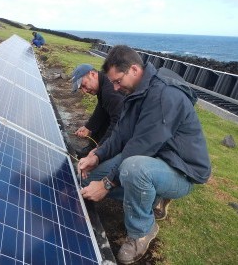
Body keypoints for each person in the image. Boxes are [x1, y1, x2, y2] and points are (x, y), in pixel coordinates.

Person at [77, 45, 211, 264]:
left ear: (134, 70)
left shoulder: (163, 97)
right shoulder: (135, 92)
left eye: (117, 81)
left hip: (182, 170)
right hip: (155, 159)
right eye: (112, 82)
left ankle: (142, 230)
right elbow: (121, 134)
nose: (115, 87)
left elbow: (140, 146)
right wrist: (97, 156)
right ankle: (152, 195)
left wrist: (107, 184)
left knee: (132, 169)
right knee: (89, 180)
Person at [71, 63, 124, 158]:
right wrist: (88, 127)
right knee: (101, 121)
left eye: (84, 85)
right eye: (81, 89)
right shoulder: (102, 83)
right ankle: (91, 149)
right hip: (120, 116)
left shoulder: (109, 92)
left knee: (109, 124)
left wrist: (100, 149)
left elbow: (119, 122)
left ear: (92, 74)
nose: (84, 91)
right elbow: (101, 108)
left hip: (134, 130)